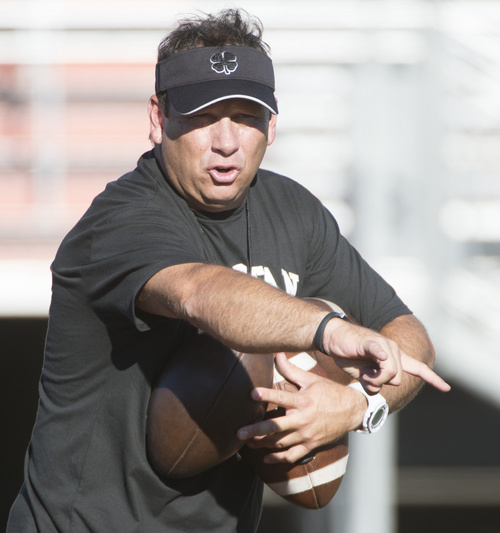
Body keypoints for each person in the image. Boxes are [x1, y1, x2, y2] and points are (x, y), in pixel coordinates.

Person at [8, 8, 450, 533]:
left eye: (246, 116)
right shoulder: (122, 220)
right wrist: (329, 330)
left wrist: (355, 407)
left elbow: (408, 338)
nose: (226, 141)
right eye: (202, 116)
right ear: (158, 117)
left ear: (273, 124)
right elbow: (200, 292)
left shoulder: (294, 213)